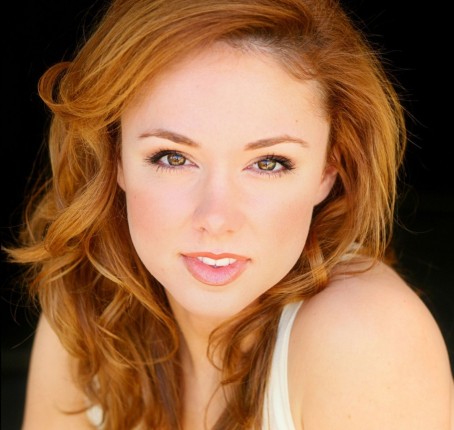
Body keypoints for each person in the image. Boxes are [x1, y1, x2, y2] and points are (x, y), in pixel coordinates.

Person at [6, 0, 453, 429]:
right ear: (115, 156)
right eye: (173, 158)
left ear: (327, 169)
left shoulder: (366, 339)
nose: (217, 218)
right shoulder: (92, 304)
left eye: (269, 163)